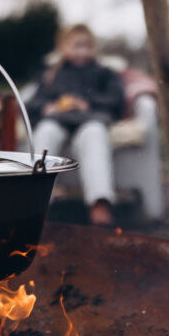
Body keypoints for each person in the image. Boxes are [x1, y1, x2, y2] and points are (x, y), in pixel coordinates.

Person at [28, 24, 125, 226]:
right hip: (57, 120)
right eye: (76, 46)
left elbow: (116, 99)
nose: (82, 51)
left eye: (87, 46)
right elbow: (33, 101)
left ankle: (99, 201)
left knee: (94, 135)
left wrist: (87, 103)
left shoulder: (104, 72)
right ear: (63, 47)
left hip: (90, 119)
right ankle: (36, 202)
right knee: (45, 133)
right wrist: (49, 107)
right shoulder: (51, 73)